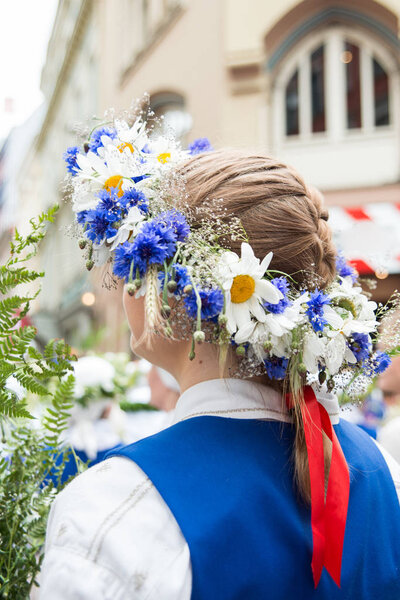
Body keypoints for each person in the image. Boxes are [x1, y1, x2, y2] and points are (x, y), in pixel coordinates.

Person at [40, 128, 400, 598]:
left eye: (137, 256)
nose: (124, 279)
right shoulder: (382, 472)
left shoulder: (112, 514)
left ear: (178, 289)